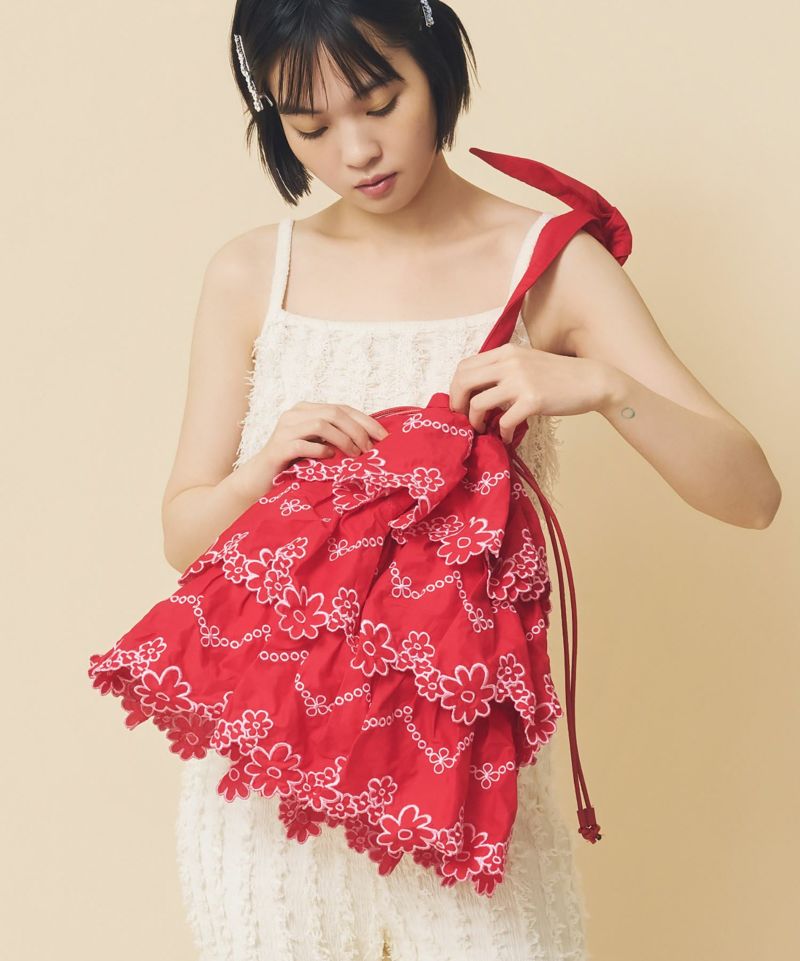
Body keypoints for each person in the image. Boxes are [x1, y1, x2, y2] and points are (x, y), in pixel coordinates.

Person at [162, 2, 781, 959]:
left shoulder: (551, 265)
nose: (356, 151)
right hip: (270, 800)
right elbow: (183, 535)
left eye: (381, 102)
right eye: (310, 127)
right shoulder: (253, 274)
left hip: (471, 790)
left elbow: (750, 495)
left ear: (437, 66)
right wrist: (262, 469)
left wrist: (603, 386)